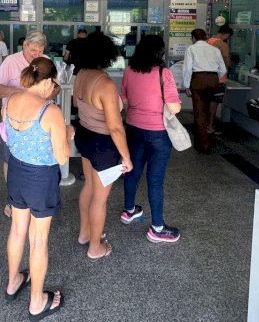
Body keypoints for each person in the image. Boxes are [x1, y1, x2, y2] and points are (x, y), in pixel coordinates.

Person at [2, 57, 71, 321]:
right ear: (49, 81)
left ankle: (13, 283)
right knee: (38, 240)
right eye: (54, 83)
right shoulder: (49, 111)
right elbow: (62, 157)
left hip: (17, 171)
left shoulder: (9, 101)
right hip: (41, 178)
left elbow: (8, 136)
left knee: (17, 230)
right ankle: (37, 302)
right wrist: (67, 133)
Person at [73, 31, 132, 259]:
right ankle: (95, 247)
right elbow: (116, 128)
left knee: (89, 186)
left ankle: (84, 234)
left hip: (85, 135)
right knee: (100, 198)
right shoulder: (105, 83)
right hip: (103, 144)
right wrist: (126, 157)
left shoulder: (81, 74)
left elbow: (76, 104)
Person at [121, 35, 182, 243]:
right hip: (157, 133)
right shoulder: (163, 73)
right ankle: (157, 228)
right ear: (160, 52)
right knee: (155, 180)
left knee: (132, 171)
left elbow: (125, 100)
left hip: (133, 128)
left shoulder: (129, 70)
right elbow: (174, 107)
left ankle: (129, 210)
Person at [0, 31, 51, 217]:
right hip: (13, 119)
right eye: (33, 50)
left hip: (39, 120)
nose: (37, 54)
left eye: (40, 50)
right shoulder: (10, 61)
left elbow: (55, 86)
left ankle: (33, 199)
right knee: (10, 159)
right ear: (24, 45)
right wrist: (20, 93)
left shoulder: (45, 60)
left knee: (36, 160)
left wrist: (46, 95)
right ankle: (12, 200)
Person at [182, 28, 227, 154]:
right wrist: (214, 78)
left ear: (194, 38)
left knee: (199, 112)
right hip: (213, 80)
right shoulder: (215, 50)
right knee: (209, 110)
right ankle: (209, 135)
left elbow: (187, 69)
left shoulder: (191, 49)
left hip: (198, 80)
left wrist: (186, 86)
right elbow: (223, 69)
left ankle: (203, 145)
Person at [207, 25, 234, 135]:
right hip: (218, 78)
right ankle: (210, 126)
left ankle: (204, 125)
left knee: (206, 102)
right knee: (213, 103)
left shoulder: (208, 41)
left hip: (206, 76)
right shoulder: (222, 44)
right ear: (227, 34)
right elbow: (227, 61)